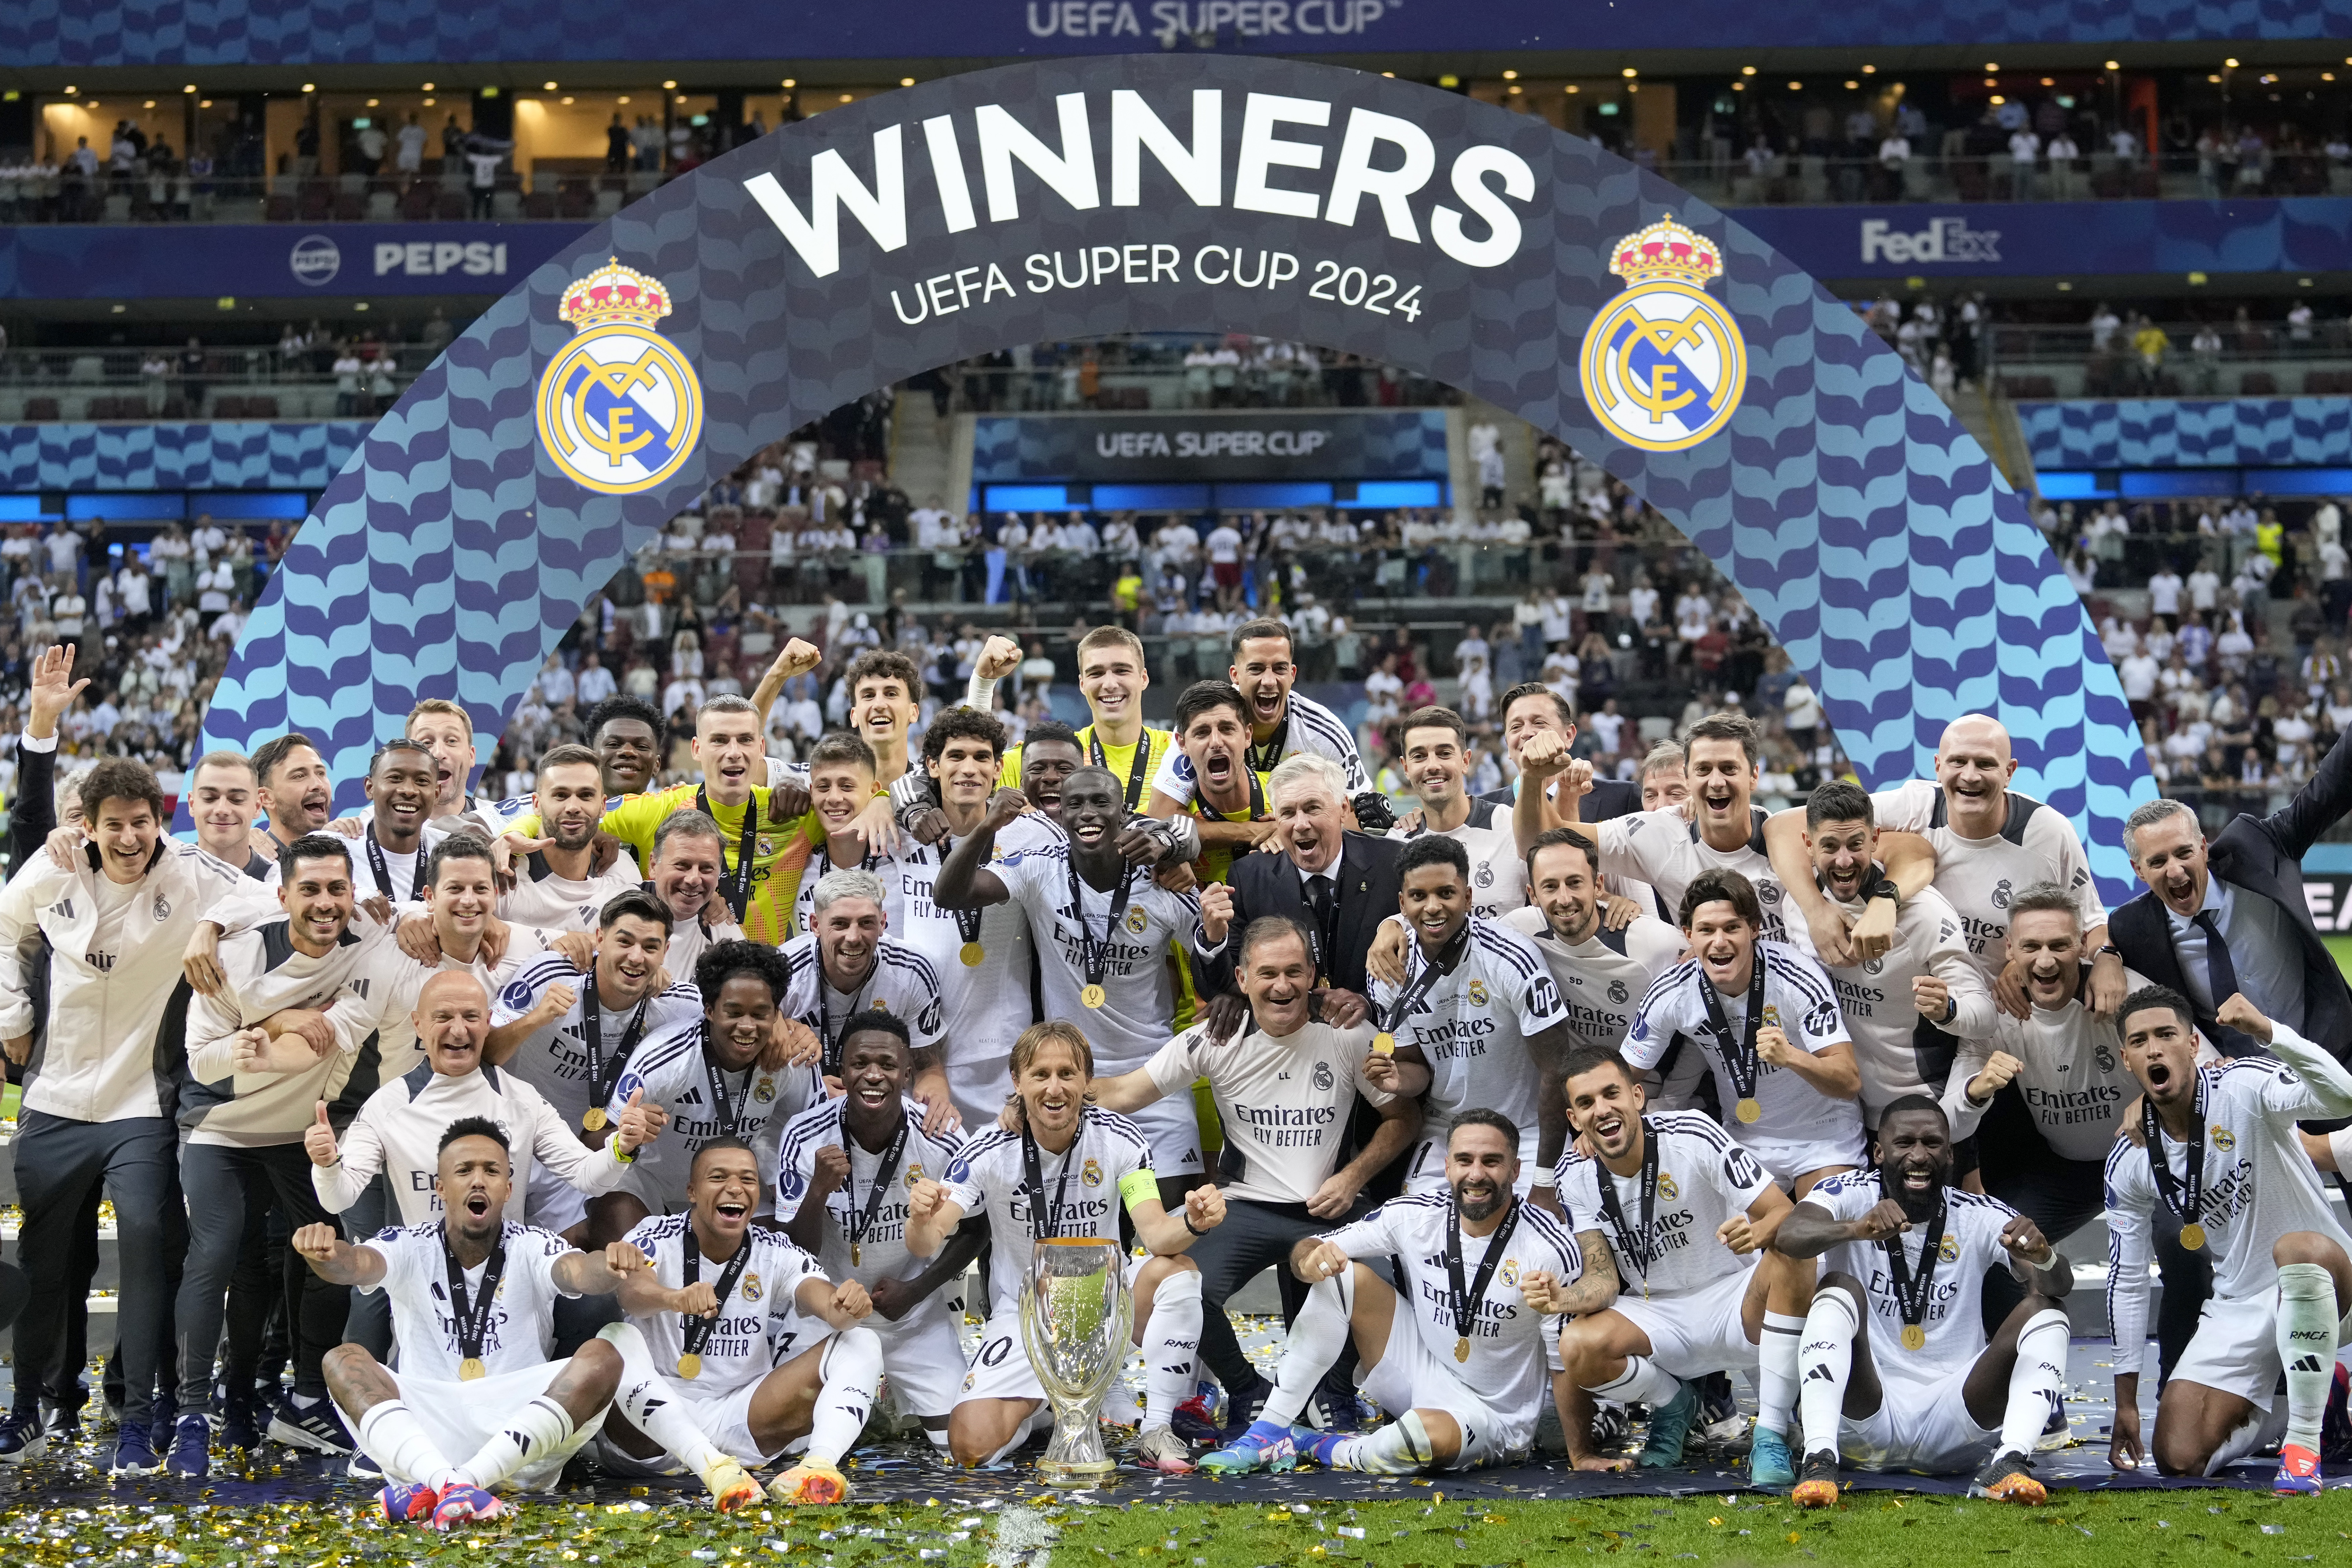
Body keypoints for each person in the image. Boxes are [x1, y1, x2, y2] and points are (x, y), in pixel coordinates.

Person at [1082, 915, 1422, 1443]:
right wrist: (1039, 1098)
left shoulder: (1347, 1033)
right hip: (1245, 1205)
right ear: (1241, 979)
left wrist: (1354, 1177)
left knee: (1375, 1281)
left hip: (1326, 1206)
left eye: (1293, 971)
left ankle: (1333, 1393)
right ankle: (1245, 1387)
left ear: (1314, 974)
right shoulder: (1216, 1036)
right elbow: (1124, 1092)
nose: (1281, 985)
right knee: (1175, 1279)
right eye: (1267, 973)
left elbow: (1405, 1117)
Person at [0, 759, 243, 1471]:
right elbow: (4, 924)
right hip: (56, 1099)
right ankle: (28, 1409)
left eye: (142, 822)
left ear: (158, 821)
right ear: (91, 826)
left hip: (141, 1102)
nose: (131, 836)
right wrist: (12, 1014)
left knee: (142, 1237)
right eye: (116, 824)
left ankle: (138, 1419)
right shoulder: (55, 869)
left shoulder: (193, 874)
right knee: (44, 1260)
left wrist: (214, 922)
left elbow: (272, 897)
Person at [903, 1022, 1226, 1472]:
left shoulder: (1120, 1138)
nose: (1055, 1088)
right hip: (1026, 1315)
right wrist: (919, 1217)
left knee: (1178, 1271)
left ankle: (1156, 1428)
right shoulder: (987, 1149)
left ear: (1086, 1081)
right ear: (1017, 1081)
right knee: (970, 1444)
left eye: (1067, 1073)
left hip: (1105, 1306)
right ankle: (1055, 1403)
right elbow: (927, 1240)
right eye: (1040, 1074)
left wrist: (1194, 1220)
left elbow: (1156, 1235)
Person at [290, 1120, 639, 1527]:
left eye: (492, 1171)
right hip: (428, 1435)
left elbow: (577, 1271)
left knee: (604, 1357)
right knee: (343, 1357)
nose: (479, 1180)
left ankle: (452, 1485)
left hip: (519, 1438)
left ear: (508, 1189)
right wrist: (324, 1253)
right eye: (464, 1170)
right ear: (440, 1188)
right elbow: (354, 1264)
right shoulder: (408, 1242)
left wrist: (610, 1264)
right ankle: (452, 1482)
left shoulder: (532, 1243)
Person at [1201, 1112, 1582, 1475]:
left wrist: (1580, 1450)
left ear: (1515, 1170)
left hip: (1495, 1415)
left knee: (1422, 1437)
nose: (1476, 1173)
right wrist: (1307, 1259)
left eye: (1492, 1161)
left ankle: (1317, 1444)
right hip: (1421, 1374)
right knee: (1337, 1272)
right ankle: (1269, 1431)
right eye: (1464, 1160)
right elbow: (1315, 1244)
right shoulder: (1415, 1214)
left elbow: (1565, 1355)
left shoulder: (1547, 1245)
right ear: (1447, 1167)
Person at [2103, 986, 2352, 1491]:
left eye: (2167, 1034)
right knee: (2179, 1456)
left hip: (2328, 1278)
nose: (2154, 1049)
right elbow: (2127, 1279)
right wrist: (2125, 1399)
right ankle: (2312, 1398)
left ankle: (2303, 1447)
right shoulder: (2129, 1159)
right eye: (2140, 1040)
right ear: (2126, 1059)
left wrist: (2269, 1032)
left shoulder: (2242, 1086)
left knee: (2297, 1248)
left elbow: (2342, 1095)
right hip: (2238, 1303)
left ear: (2194, 1044)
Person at [1771, 1098, 2073, 1507]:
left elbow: (2057, 1284)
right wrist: (1855, 1229)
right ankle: (1819, 1459)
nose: (1918, 1155)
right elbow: (1790, 1235)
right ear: (1879, 1152)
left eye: (1932, 1143)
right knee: (1838, 1286)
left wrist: (2045, 1256)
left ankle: (2009, 1461)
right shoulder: (1846, 1192)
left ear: (1950, 1154)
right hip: (1864, 1416)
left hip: (1957, 1427)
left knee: (2046, 1309)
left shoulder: (1979, 1213)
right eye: (1905, 1142)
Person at [934, 769, 1221, 1191]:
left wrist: (1215, 932)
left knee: (1165, 1229)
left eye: (1100, 803)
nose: (1087, 814)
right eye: (1075, 804)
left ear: (1124, 813)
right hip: (1071, 1085)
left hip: (1154, 1079)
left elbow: (1213, 966)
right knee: (1086, 1227)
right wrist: (987, 826)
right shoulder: (1038, 868)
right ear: (1062, 815)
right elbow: (949, 894)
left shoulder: (1161, 880)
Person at [1551, 1048, 1812, 1486]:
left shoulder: (1692, 1132)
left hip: (1737, 1299)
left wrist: (1761, 1231)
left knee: (1797, 1250)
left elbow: (1785, 1212)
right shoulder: (1572, 1175)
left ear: (1638, 1095)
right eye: (1586, 1102)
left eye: (1611, 1093)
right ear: (1574, 1118)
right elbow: (1602, 1276)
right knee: (1575, 1342)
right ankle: (1674, 1404)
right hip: (1660, 1314)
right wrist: (1566, 1297)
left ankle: (1771, 1431)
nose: (1602, 1109)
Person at [601, 1136, 887, 1507]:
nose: (735, 1187)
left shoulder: (774, 1248)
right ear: (691, 1191)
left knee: (862, 1341)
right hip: (655, 1426)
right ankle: (712, 1469)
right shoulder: (656, 1232)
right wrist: (673, 1298)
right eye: (718, 1177)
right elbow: (632, 1294)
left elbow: (821, 1297)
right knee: (615, 1337)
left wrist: (846, 1308)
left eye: (748, 1179)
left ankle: (818, 1468)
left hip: (742, 1418)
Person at [774, 1012, 982, 1455]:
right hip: (825, 1313)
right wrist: (817, 1192)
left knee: (966, 1445)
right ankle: (859, 1406)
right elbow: (794, 1249)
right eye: (860, 1062)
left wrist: (917, 1287)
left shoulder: (940, 1135)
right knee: (789, 1448)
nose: (873, 1074)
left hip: (909, 1315)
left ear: (907, 1073)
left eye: (887, 1064)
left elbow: (980, 1226)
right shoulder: (803, 1132)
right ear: (843, 1069)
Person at [2111, 737, 2352, 1062]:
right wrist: (2105, 956)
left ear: (2204, 847)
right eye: (2158, 862)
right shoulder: (2132, 929)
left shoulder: (2256, 849)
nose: (2175, 871)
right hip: (2247, 1093)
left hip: (2332, 1053)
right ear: (2138, 870)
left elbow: (2328, 789)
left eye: (2184, 853)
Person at [1621, 869, 1863, 1191]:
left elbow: (1849, 1081)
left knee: (1815, 1232)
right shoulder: (1671, 991)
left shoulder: (1797, 977)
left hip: (1823, 1134)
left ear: (1754, 929)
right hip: (1744, 1140)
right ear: (1689, 934)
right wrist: (1594, 1124)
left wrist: (1793, 1057)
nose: (1719, 942)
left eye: (1732, 928)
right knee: (1741, 1239)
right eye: (1706, 930)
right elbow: (1622, 1075)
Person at [1360, 834, 1575, 1188]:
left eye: (1446, 893)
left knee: (1540, 1231)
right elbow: (1418, 1070)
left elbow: (1556, 1070)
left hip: (1524, 1127)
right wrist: (1398, 1081)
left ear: (1468, 897)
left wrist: (1544, 1178)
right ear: (1402, 902)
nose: (1432, 907)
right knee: (1413, 1232)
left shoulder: (1512, 958)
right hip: (1446, 1127)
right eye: (1418, 896)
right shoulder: (1388, 970)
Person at [487, 890, 705, 1233]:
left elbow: (736, 1016)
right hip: (510, 1138)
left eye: (650, 947)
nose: (636, 957)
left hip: (578, 1152)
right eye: (625, 941)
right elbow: (486, 1055)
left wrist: (787, 1031)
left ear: (665, 952)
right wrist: (535, 1019)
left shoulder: (678, 1003)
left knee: (575, 1247)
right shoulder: (550, 973)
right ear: (599, 938)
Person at [886, 708, 1060, 1126]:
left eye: (982, 757)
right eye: (956, 756)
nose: (969, 768)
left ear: (999, 768)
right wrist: (889, 804)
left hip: (1005, 1047)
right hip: (925, 1049)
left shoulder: (1033, 834)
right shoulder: (899, 835)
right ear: (932, 766)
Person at [1793, 782, 1996, 1117]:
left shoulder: (1925, 912)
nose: (1844, 861)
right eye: (1829, 846)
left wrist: (1947, 1009)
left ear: (1875, 840)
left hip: (1923, 1110)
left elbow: (1985, 1018)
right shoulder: (1799, 905)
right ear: (1808, 844)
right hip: (1842, 1109)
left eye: (1855, 844)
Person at [1533, 714, 1813, 947]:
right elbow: (1551, 842)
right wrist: (1531, 777)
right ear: (1691, 777)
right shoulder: (1654, 834)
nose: (1716, 781)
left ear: (1754, 776)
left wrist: (1824, 912)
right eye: (1703, 770)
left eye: (1729, 769)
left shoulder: (1786, 837)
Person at [599, 941, 824, 1228]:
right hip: (651, 1186)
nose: (747, 1026)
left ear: (777, 1014)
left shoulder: (792, 1058)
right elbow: (596, 1141)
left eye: (760, 1014)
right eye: (734, 1012)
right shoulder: (664, 1061)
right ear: (709, 1010)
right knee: (623, 1238)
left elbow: (816, 1136)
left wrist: (784, 1184)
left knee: (787, 1238)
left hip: (733, 1191)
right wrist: (627, 1137)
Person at [1147, 618, 1387, 831]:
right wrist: (1252, 832)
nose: (1270, 681)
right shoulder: (1205, 726)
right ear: (1235, 675)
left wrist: (1289, 832)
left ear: (1293, 674)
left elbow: (1361, 817)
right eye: (1256, 669)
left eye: (1280, 669)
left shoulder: (1325, 733)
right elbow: (1161, 815)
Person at [1207, 753, 1401, 1002]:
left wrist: (1367, 1002)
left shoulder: (1393, 864)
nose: (1301, 824)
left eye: (1312, 808)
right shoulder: (1249, 877)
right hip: (1291, 1032)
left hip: (1375, 1029)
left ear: (1343, 808)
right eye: (1288, 813)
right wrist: (1213, 939)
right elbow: (1227, 982)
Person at [779, 868, 951, 1119]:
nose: (853, 937)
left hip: (879, 1107)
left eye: (866, 923)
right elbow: (756, 1059)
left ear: (882, 923)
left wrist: (934, 1092)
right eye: (840, 923)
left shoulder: (913, 970)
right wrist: (809, 1089)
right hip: (793, 1109)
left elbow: (927, 1064)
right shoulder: (782, 972)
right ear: (815, 925)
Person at [1500, 829, 1685, 1060]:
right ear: (1533, 895)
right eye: (1550, 886)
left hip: (1650, 1086)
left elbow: (1713, 961)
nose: (1564, 899)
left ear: (1598, 885)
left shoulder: (1654, 941)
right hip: (1573, 1084)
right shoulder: (1517, 929)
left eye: (1575, 882)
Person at [1389, 706, 1528, 919]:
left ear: (1465, 761)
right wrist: (1391, 925)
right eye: (1419, 756)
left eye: (1444, 754)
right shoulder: (1398, 842)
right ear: (1406, 768)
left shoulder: (1511, 826)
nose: (1432, 766)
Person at [501, 744, 646, 929]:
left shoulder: (623, 869)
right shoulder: (507, 873)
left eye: (586, 795)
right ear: (537, 804)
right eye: (561, 795)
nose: (573, 807)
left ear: (603, 806)